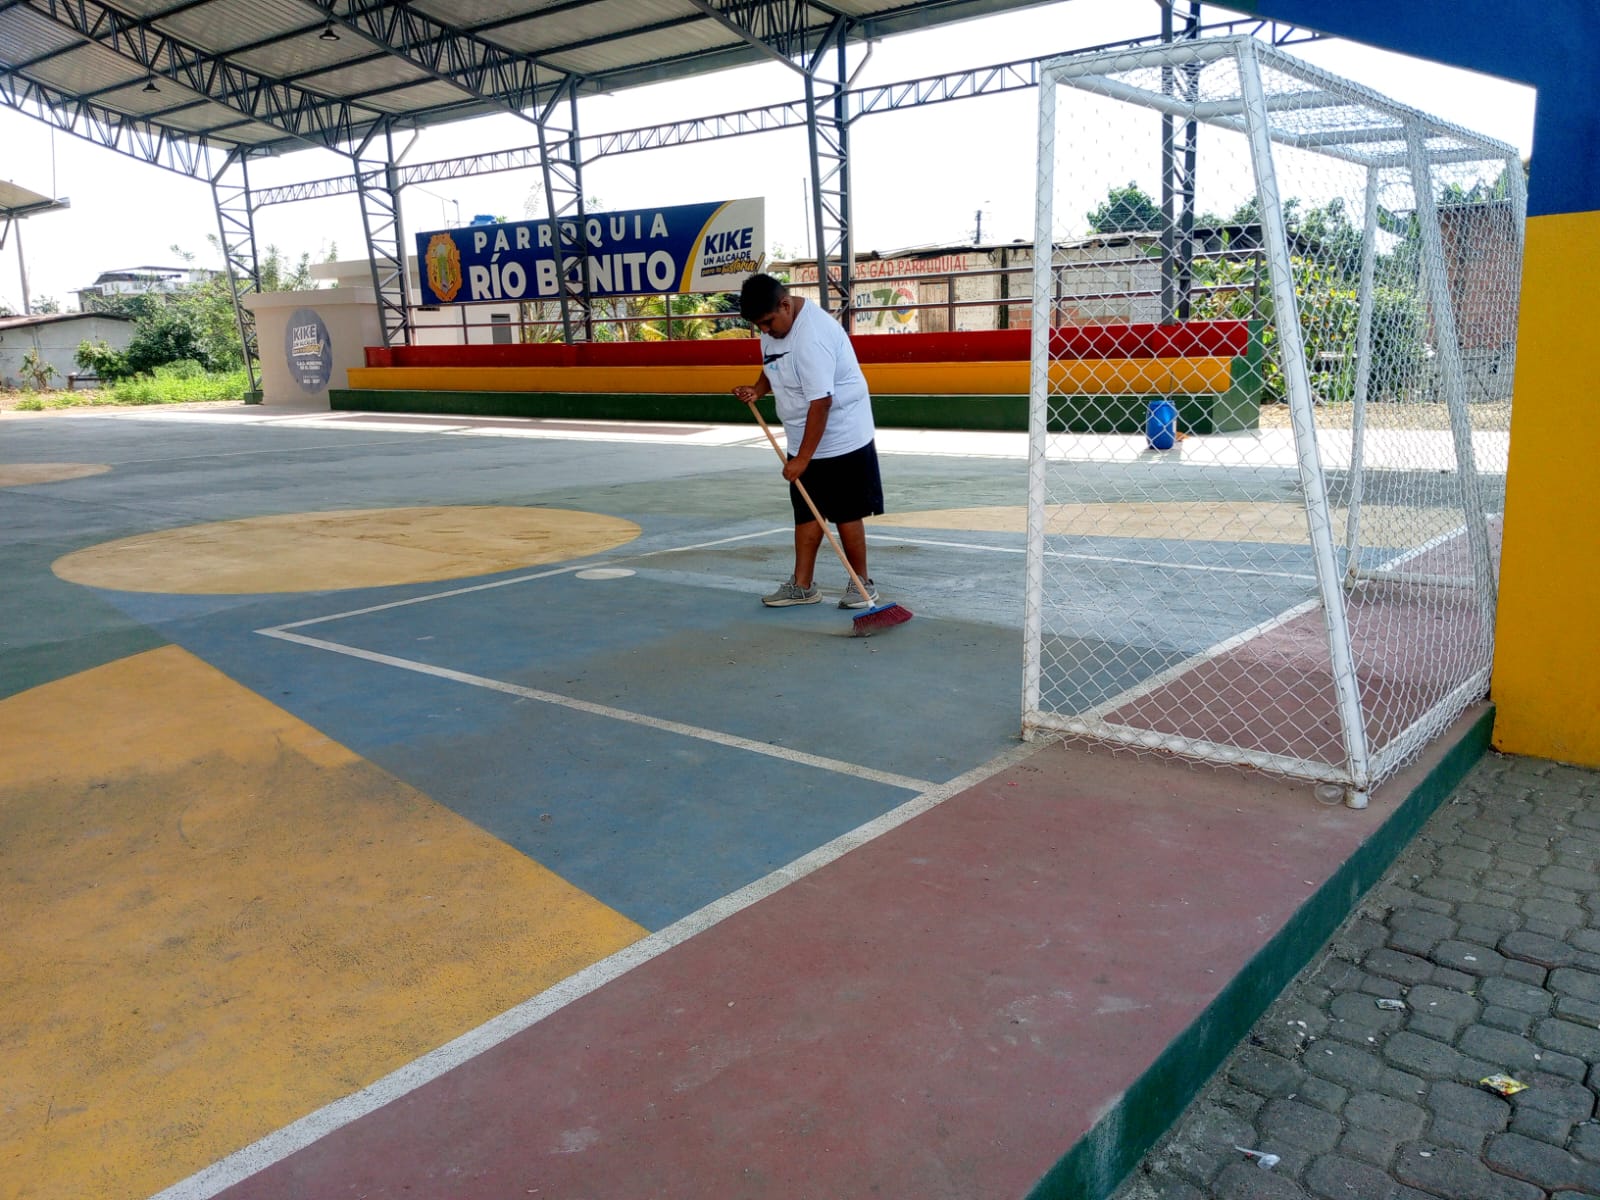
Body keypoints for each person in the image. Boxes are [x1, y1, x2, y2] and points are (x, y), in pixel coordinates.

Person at [732, 273, 885, 609]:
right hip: (802, 434)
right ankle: (802, 586)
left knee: (846, 512)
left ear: (785, 305)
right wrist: (758, 389)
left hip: (843, 435)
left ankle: (862, 582)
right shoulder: (774, 328)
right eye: (759, 326)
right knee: (806, 511)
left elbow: (822, 402)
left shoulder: (812, 337)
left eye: (768, 322)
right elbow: (773, 364)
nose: (765, 331)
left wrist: (802, 459)